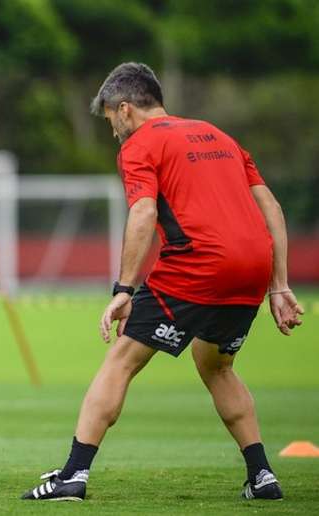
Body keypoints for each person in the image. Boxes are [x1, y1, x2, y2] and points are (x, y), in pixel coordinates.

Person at [21, 62, 303, 502]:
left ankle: (72, 476)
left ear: (126, 109)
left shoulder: (140, 145)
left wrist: (123, 290)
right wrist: (279, 284)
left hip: (198, 264)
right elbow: (270, 207)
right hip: (253, 267)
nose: (114, 131)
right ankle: (262, 475)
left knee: (122, 360)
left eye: (112, 119)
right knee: (216, 365)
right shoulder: (218, 136)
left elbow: (143, 213)